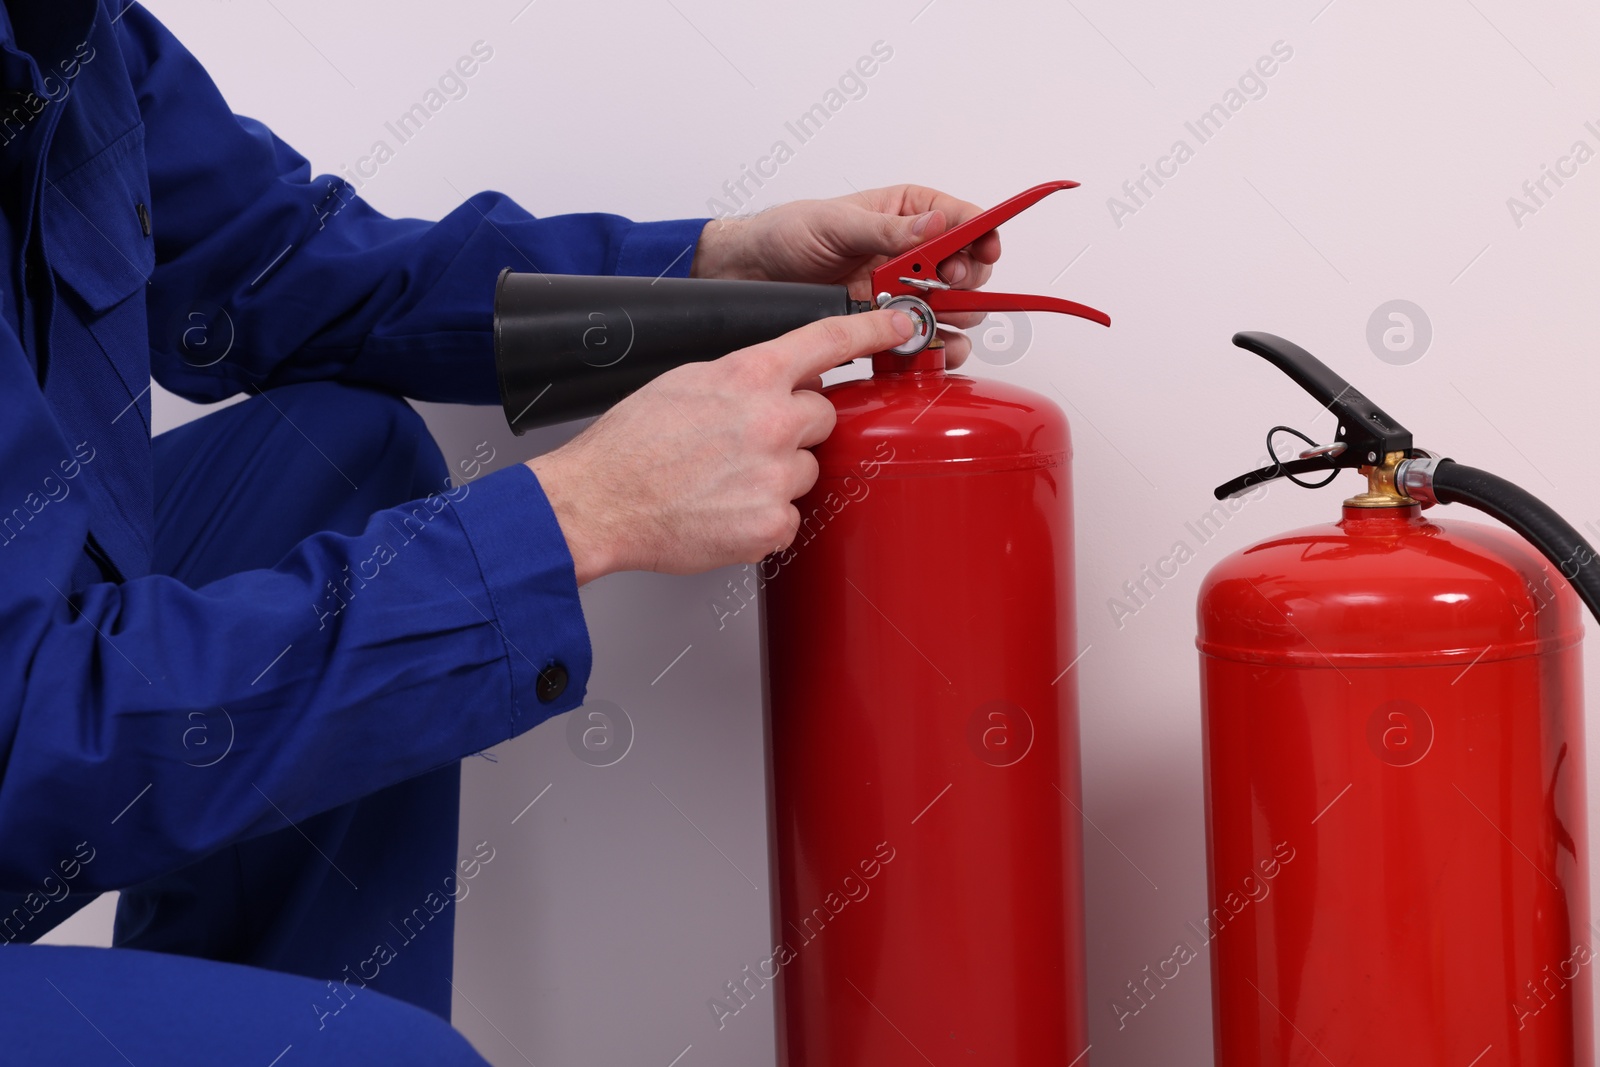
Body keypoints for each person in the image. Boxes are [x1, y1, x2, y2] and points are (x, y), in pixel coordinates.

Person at [0, 1, 1002, 1061]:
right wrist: (576, 514)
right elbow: (31, 729)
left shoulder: (70, 28)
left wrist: (722, 274)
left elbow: (286, 270)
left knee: (337, 455)